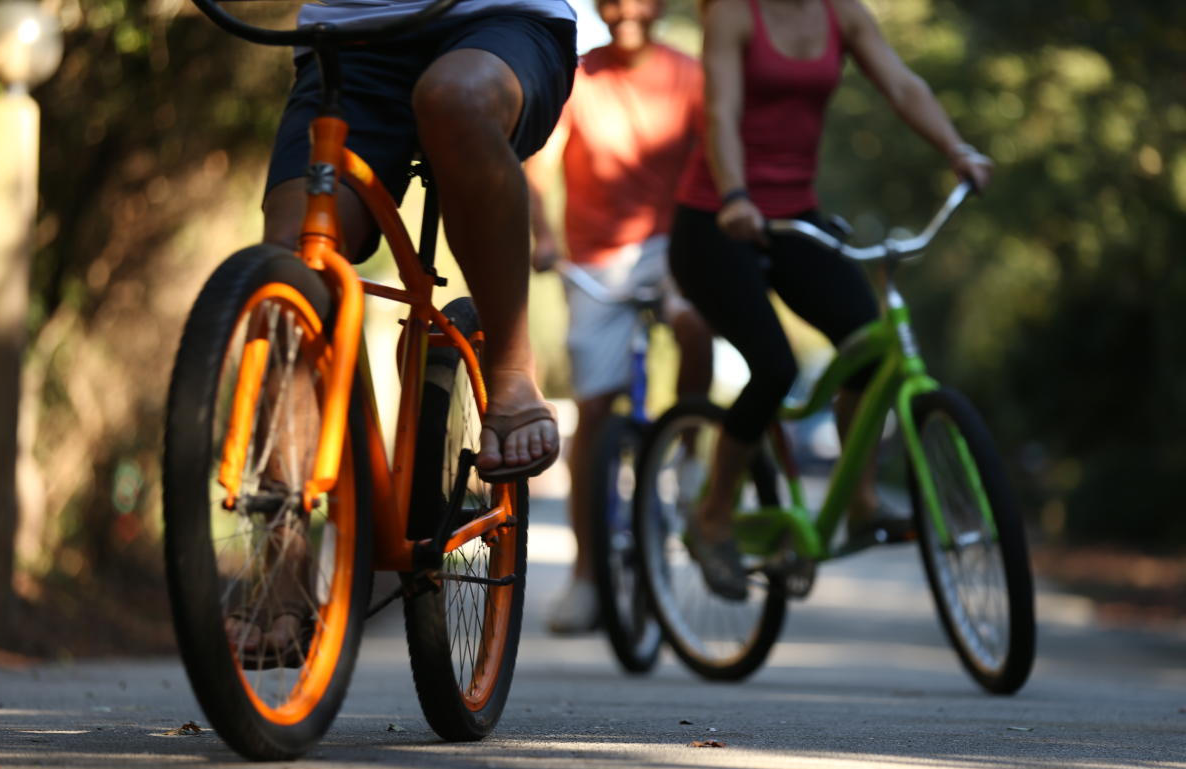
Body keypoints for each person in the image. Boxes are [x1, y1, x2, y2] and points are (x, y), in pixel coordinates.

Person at [230, 0, 579, 654]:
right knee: (289, 263)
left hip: (498, 22)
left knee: (455, 99)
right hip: (352, 40)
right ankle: (284, 555)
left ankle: (510, 374)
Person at [670, 0, 993, 600]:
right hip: (717, 219)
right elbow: (721, 110)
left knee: (869, 349)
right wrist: (736, 194)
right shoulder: (734, 13)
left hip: (798, 218)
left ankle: (862, 501)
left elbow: (901, 84)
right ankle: (713, 517)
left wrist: (957, 150)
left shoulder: (841, 13)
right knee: (773, 367)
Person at [526, 0, 713, 633]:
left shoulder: (691, 76)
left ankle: (689, 457)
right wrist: (542, 237)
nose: (624, 8)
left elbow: (713, 167)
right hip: (594, 259)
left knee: (694, 321)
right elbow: (540, 163)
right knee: (596, 410)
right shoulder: (579, 77)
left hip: (672, 249)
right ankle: (585, 576)